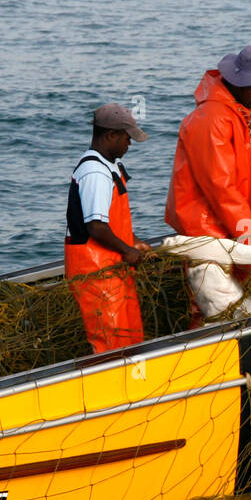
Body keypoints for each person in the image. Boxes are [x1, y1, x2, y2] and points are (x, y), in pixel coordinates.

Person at [165, 45, 251, 243]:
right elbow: (219, 185)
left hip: (242, 220)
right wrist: (249, 235)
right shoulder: (212, 119)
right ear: (236, 82)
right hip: (206, 226)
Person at [64, 103, 150, 354]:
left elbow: (112, 219)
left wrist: (132, 241)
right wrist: (128, 251)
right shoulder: (95, 172)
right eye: (127, 138)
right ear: (111, 135)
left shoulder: (109, 164)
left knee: (129, 335)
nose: (129, 145)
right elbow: (97, 226)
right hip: (95, 272)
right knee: (108, 340)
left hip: (112, 269)